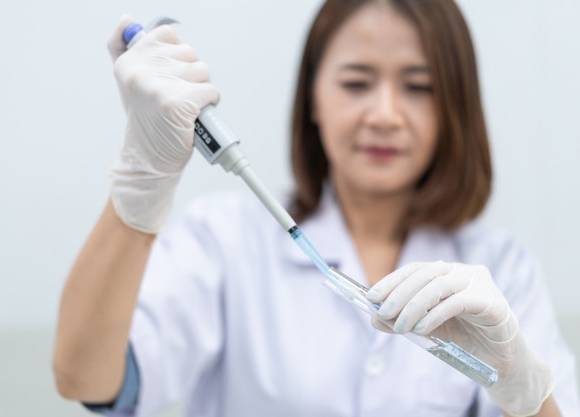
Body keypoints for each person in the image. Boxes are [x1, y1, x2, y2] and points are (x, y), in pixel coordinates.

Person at [53, 0, 580, 416]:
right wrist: (143, 180)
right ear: (313, 98)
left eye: (419, 87)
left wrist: (525, 395)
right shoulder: (226, 239)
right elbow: (87, 379)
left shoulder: (502, 270)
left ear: (454, 108)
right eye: (356, 83)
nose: (385, 114)